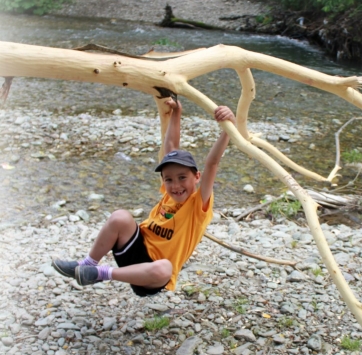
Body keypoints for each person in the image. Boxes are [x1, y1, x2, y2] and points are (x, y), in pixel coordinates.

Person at [52, 96, 235, 296]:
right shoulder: (169, 194)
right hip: (133, 250)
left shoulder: (197, 205)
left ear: (197, 177)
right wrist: (177, 113)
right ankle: (87, 264)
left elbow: (212, 163)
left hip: (150, 275)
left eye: (183, 178)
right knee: (120, 217)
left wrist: (228, 128)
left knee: (165, 267)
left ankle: (100, 273)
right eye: (169, 180)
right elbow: (171, 145)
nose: (176, 185)